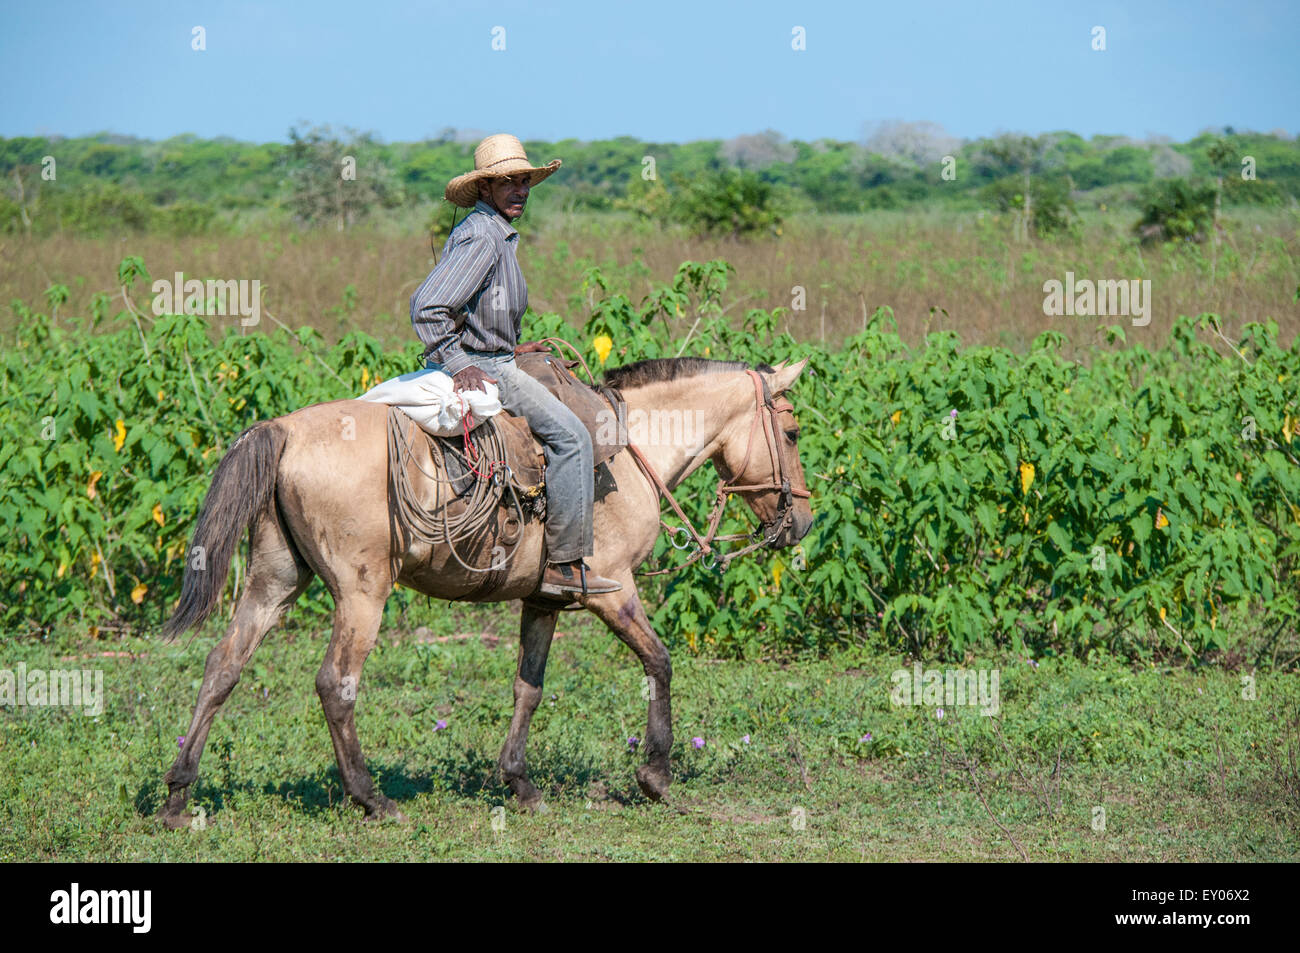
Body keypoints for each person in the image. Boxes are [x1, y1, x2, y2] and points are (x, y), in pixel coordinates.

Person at [410, 134, 621, 597]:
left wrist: (511, 347)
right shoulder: (484, 237)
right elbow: (427, 306)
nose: (520, 190)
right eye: (508, 183)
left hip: (498, 356)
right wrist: (461, 361)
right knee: (572, 437)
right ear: (485, 189)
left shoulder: (493, 231)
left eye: (525, 181)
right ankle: (563, 566)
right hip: (486, 368)